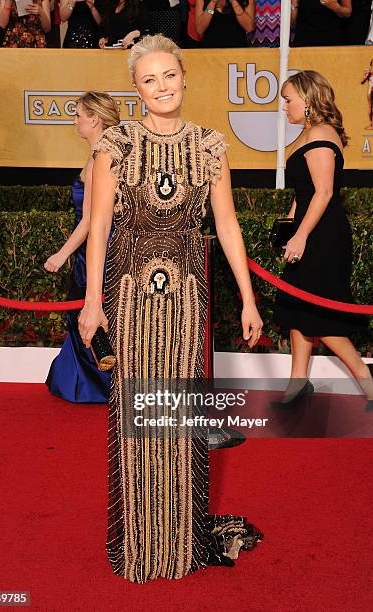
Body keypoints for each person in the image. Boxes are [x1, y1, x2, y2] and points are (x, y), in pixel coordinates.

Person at [78, 33, 263, 583]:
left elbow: (226, 226)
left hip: (186, 300)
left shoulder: (210, 145)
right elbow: (100, 228)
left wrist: (249, 299)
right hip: (131, 298)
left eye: (169, 76)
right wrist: (93, 303)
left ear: (184, 78)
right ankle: (140, 542)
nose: (161, 86)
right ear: (136, 90)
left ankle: (180, 541)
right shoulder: (116, 143)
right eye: (148, 79)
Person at [273, 70, 373, 409]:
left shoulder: (321, 132)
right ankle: (298, 384)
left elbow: (325, 191)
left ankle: (367, 381)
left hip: (323, 235)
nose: (284, 106)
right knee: (297, 305)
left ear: (308, 99)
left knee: (317, 313)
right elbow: (304, 193)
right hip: (308, 229)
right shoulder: (307, 133)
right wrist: (289, 223)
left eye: (288, 100)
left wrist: (300, 235)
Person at [45, 92, 120, 403]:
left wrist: (61, 254)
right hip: (94, 248)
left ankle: (101, 386)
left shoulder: (98, 160)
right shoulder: (102, 155)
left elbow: (91, 220)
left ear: (94, 118)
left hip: (94, 250)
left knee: (91, 318)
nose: (74, 120)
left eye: (78, 114)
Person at [361, 59, 373, 130]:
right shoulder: (368, 71)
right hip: (371, 90)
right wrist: (366, 77)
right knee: (370, 107)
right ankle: (371, 123)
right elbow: (362, 82)